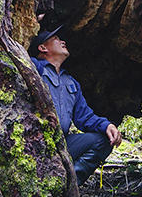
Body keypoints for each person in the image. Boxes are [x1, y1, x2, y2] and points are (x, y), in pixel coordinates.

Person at [29, 25, 122, 185]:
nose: (62, 41)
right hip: (34, 143)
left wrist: (107, 126)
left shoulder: (71, 83)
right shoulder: (34, 67)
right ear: (43, 47)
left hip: (62, 144)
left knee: (103, 140)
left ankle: (67, 186)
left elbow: (84, 117)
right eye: (56, 39)